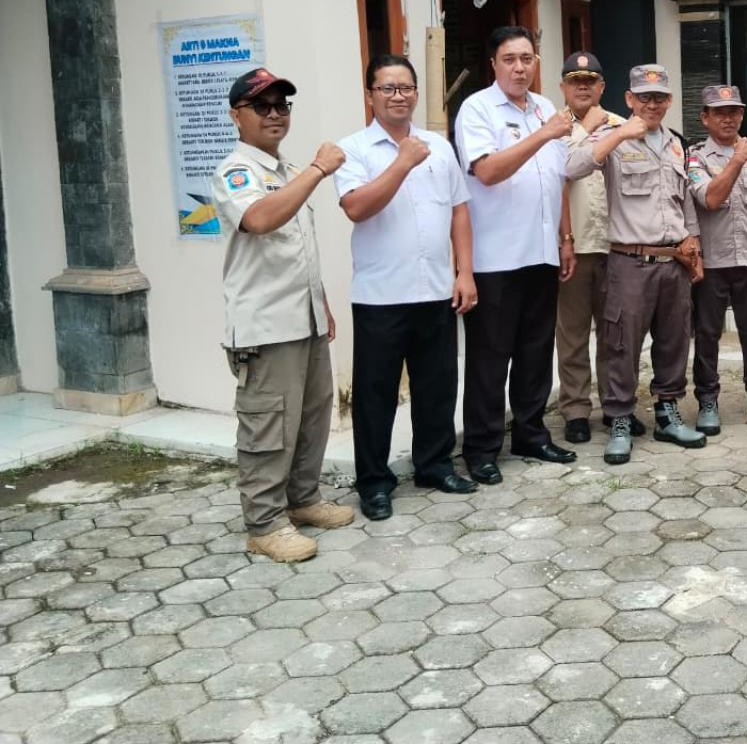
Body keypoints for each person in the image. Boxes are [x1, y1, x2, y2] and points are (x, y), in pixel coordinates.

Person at [213, 67, 353, 562]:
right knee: (267, 426)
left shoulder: (286, 171)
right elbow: (260, 219)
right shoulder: (235, 171)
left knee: (311, 417)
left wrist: (322, 303)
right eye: (262, 106)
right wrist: (318, 170)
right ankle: (264, 523)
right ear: (237, 116)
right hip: (266, 326)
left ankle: (303, 498)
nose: (275, 114)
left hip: (304, 319)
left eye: (282, 105)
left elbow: (299, 248)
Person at [337, 54, 478, 521]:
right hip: (381, 295)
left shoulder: (438, 145)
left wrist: (464, 272)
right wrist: (401, 162)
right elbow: (357, 208)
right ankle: (374, 483)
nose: (398, 96)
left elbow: (459, 209)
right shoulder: (353, 149)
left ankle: (434, 465)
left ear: (417, 93)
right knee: (375, 395)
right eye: (387, 88)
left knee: (437, 387)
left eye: (406, 88)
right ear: (370, 95)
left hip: (435, 289)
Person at [453, 27, 578, 486]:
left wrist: (566, 237)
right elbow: (487, 171)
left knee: (535, 351)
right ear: (494, 64)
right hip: (495, 259)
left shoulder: (545, 107)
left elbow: (557, 178)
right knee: (490, 359)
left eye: (527, 58)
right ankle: (482, 448)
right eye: (510, 59)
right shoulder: (477, 109)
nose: (520, 68)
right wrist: (544, 135)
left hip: (541, 252)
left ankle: (530, 434)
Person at [565, 64, 706, 465]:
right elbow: (571, 168)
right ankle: (620, 419)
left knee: (674, 340)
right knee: (621, 345)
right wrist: (619, 135)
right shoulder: (613, 136)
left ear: (669, 101)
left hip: (673, 261)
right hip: (630, 261)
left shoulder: (676, 144)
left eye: (659, 97)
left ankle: (667, 413)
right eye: (644, 97)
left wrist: (693, 243)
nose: (652, 104)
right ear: (629, 99)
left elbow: (684, 201)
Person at [686, 85, 747, 435]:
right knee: (707, 335)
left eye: (734, 112)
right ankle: (707, 401)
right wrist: (738, 159)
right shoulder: (696, 158)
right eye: (719, 112)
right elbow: (710, 199)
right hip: (711, 264)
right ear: (705, 118)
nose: (728, 118)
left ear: (742, 115)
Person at [554, 51, 637, 444]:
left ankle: (615, 406)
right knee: (572, 334)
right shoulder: (552, 127)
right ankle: (575, 410)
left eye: (590, 81)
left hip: (616, 244)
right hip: (574, 247)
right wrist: (564, 239)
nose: (583, 87)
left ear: (602, 87)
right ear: (563, 87)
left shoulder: (622, 126)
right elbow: (556, 177)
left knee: (614, 335)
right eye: (575, 81)